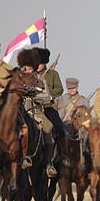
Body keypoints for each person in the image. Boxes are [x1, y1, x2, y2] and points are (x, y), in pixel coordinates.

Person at [18, 49, 66, 177]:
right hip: (20, 110)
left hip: (36, 111)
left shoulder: (41, 79)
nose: (28, 68)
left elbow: (46, 96)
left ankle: (49, 163)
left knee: (50, 127)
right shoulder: (19, 77)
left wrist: (34, 96)